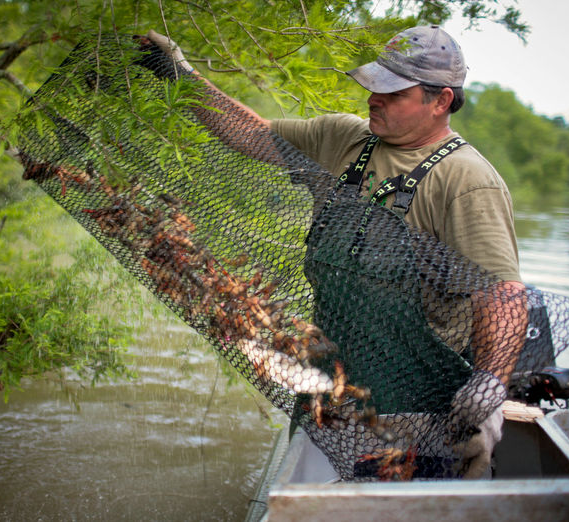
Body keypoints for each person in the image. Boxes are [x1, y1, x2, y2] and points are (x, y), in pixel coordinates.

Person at [144, 25, 528, 478]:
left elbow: (501, 294)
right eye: (373, 86)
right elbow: (250, 133)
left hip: (416, 402)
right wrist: (180, 75)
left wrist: (488, 386)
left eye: (392, 93)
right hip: (330, 383)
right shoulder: (344, 139)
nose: (373, 98)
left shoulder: (465, 180)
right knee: (308, 497)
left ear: (440, 101)